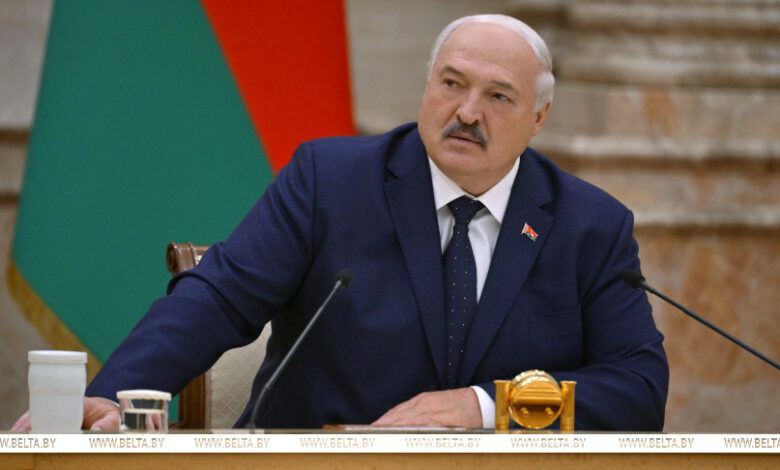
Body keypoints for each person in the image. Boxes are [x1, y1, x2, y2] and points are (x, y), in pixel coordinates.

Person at [13, 14, 668, 432]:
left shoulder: (589, 226)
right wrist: (109, 397)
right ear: (427, 86)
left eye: (498, 96)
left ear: (538, 118)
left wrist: (484, 407)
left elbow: (637, 388)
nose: (468, 112)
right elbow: (218, 298)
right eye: (451, 84)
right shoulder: (330, 181)